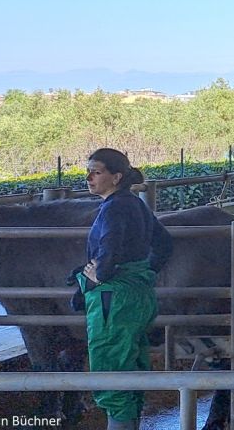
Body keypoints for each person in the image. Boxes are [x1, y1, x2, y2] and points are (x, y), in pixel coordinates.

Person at [76, 148, 172, 430]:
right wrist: (143, 273)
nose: (89, 178)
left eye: (96, 172)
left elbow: (109, 246)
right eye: (89, 171)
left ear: (116, 177)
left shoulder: (113, 208)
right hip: (138, 294)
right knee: (132, 363)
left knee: (110, 367)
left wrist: (99, 276)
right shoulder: (136, 204)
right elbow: (164, 244)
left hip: (112, 298)